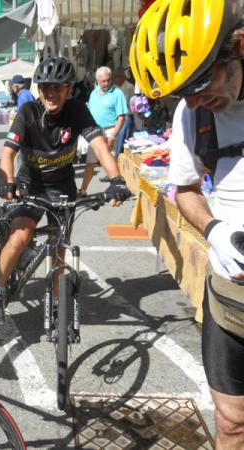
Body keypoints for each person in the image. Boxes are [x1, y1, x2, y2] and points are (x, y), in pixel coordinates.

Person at [130, 1, 244, 448]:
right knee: (231, 422)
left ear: (238, 47)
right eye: (183, 92)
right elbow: (187, 189)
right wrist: (214, 231)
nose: (193, 101)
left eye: (199, 84)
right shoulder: (192, 114)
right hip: (230, 293)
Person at [0, 57, 130, 322]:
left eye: (58, 87)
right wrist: (9, 181)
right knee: (20, 235)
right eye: (46, 87)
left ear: (69, 89)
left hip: (62, 187)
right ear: (39, 89)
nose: (52, 93)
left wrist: (117, 180)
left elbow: (99, 146)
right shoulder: (28, 112)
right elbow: (7, 154)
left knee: (59, 246)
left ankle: (55, 298)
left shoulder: (77, 111)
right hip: (30, 185)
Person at [79, 66, 128, 194]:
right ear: (97, 81)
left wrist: (112, 136)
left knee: (111, 163)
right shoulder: (94, 93)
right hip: (95, 132)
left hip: (111, 130)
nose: (106, 83)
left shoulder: (117, 93)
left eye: (108, 80)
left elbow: (121, 118)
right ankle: (83, 190)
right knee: (90, 163)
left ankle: (118, 192)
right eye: (103, 81)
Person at [112, 68, 135, 158]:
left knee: (122, 138)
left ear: (122, 77)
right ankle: (116, 157)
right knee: (117, 138)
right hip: (116, 117)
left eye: (116, 77)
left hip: (127, 116)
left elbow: (131, 104)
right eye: (114, 77)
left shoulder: (129, 87)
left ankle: (119, 157)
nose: (115, 79)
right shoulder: (115, 88)